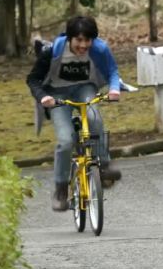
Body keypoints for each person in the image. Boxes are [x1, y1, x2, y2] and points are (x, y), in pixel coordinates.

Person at [27, 15, 123, 212]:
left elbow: (113, 70)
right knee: (65, 141)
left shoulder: (100, 49)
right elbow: (33, 79)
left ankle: (104, 165)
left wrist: (114, 89)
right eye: (79, 40)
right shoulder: (53, 51)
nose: (83, 45)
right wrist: (43, 97)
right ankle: (61, 189)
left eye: (87, 40)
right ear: (70, 38)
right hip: (56, 95)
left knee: (94, 118)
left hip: (84, 88)